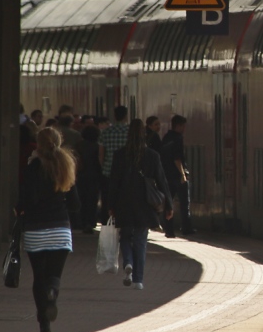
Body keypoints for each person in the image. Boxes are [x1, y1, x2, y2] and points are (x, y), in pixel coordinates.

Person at [16, 127, 80, 332]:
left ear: (38, 144)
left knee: (38, 277)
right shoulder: (66, 165)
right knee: (54, 275)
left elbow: (25, 199)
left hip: (36, 228)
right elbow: (75, 204)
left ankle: (44, 324)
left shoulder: (33, 166)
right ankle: (52, 292)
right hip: (60, 229)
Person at [108, 119, 173, 289]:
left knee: (125, 236)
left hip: (123, 202)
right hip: (145, 203)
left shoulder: (119, 155)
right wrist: (169, 206)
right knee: (140, 240)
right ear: (145, 135)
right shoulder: (153, 156)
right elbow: (162, 181)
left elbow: (113, 182)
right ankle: (138, 280)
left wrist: (110, 205)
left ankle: (128, 263)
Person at [161, 114, 193, 236]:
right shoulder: (178, 138)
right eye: (183, 126)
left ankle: (169, 230)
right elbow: (177, 158)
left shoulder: (166, 138)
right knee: (184, 203)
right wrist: (183, 174)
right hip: (177, 176)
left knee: (169, 203)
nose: (184, 128)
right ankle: (186, 228)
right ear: (178, 126)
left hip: (167, 175)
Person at [75, 124, 103, 234]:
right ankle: (91, 222)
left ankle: (81, 222)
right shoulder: (97, 146)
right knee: (92, 200)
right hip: (94, 176)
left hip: (80, 176)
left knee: (81, 199)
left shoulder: (78, 145)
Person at [98, 105, 129, 182]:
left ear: (115, 116)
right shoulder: (131, 132)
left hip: (109, 170)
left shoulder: (105, 132)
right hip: (127, 170)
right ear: (126, 116)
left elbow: (101, 154)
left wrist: (103, 168)